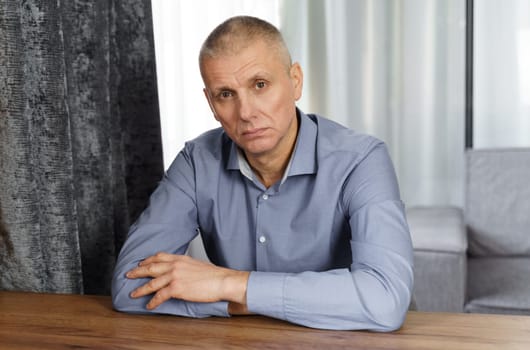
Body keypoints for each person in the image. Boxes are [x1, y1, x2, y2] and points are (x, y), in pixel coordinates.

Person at [111, 15, 414, 331]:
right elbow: (129, 287)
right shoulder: (196, 162)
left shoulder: (361, 159)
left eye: (260, 85)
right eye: (226, 94)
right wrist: (245, 302)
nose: (246, 113)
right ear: (211, 104)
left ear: (295, 80)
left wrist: (230, 284)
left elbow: (384, 299)